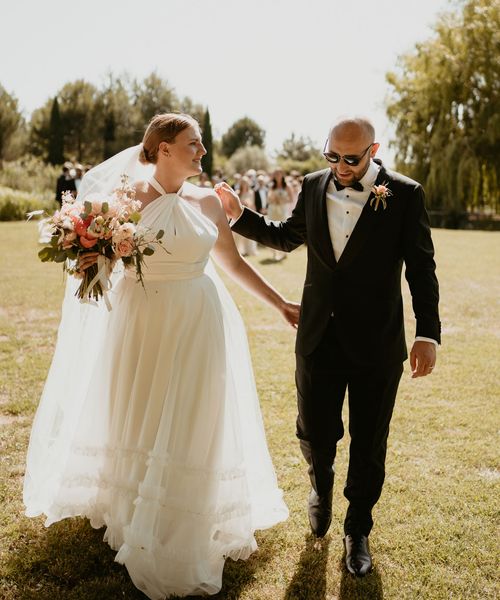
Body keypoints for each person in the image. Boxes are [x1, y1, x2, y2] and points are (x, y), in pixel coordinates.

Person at [24, 113, 300, 599]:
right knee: (142, 406)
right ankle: (133, 507)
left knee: (195, 412)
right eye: (193, 144)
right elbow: (98, 265)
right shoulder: (122, 201)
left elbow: (231, 263)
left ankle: (184, 510)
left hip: (198, 320)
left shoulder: (210, 203)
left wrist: (279, 304)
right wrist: (89, 258)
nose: (202, 152)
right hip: (141, 319)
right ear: (164, 148)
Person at [215, 116, 440, 577]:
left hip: (376, 344)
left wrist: (426, 333)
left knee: (368, 441)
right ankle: (319, 484)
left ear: (373, 150)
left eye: (351, 159)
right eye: (331, 155)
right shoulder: (315, 185)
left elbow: (421, 269)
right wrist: (239, 215)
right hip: (317, 336)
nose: (339, 166)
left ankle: (357, 530)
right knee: (314, 432)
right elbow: (287, 235)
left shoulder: (405, 195)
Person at [266, 168, 294, 261]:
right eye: (276, 174)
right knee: (272, 230)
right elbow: (268, 199)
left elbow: (291, 199)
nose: (277, 175)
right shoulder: (271, 186)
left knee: (282, 230)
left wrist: (282, 200)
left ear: (282, 175)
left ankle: (283, 252)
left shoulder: (287, 186)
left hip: (282, 210)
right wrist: (273, 200)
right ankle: (274, 253)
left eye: (279, 173)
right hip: (273, 210)